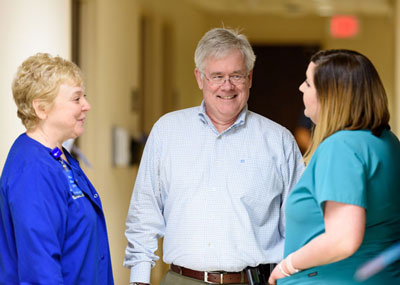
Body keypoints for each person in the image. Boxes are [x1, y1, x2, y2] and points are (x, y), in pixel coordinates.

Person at [123, 27, 304, 285]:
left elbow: (298, 226)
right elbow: (144, 214)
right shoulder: (167, 131)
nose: (227, 86)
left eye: (236, 75)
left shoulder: (279, 141)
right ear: (199, 78)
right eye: (216, 76)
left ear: (250, 77)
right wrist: (139, 279)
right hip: (182, 279)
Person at [268, 49, 400, 285]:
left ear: (329, 95)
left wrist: (286, 266)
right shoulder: (385, 141)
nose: (300, 88)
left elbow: (343, 239)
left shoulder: (341, 147)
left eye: (308, 83)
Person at [0, 53, 114, 284]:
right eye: (76, 99)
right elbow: (40, 269)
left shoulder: (60, 158)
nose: (87, 106)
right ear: (41, 108)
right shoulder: (32, 171)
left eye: (85, 96)